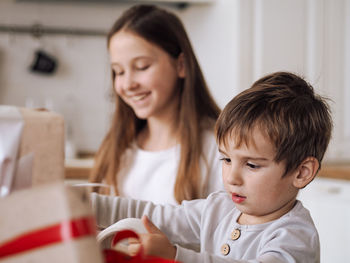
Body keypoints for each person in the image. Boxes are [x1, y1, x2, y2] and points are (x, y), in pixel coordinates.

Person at [91, 71, 333, 262]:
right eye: (226, 160)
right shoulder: (218, 209)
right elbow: (155, 215)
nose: (232, 178)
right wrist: (84, 203)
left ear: (301, 172)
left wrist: (176, 256)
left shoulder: (295, 236)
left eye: (251, 165)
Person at [89, 5, 223, 204]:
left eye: (141, 67)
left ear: (181, 65)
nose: (128, 84)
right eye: (119, 72)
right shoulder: (117, 147)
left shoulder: (217, 148)